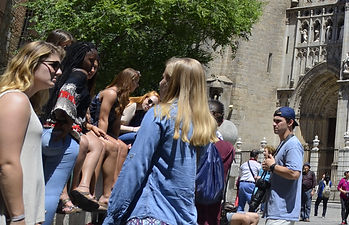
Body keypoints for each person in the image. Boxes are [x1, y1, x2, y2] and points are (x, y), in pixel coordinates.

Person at [104, 57, 217, 225]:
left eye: (165, 77)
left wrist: (113, 214)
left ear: (174, 83)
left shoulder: (159, 114)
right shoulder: (205, 124)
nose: (160, 82)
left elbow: (136, 165)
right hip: (183, 217)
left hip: (150, 210)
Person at [0, 41, 63, 225]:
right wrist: (18, 216)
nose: (59, 72)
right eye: (54, 65)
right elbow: (7, 163)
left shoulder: (23, 101)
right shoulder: (15, 100)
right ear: (32, 62)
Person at [40, 41, 102, 214]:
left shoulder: (64, 74)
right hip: (63, 140)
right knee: (51, 193)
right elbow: (66, 93)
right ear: (80, 58)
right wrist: (67, 121)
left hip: (46, 133)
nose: (92, 67)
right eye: (90, 60)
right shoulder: (79, 74)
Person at [89, 67, 141, 207]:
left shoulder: (123, 98)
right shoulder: (111, 93)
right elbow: (103, 119)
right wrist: (103, 139)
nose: (137, 86)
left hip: (107, 132)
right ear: (128, 81)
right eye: (136, 82)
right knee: (113, 146)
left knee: (122, 147)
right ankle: (98, 192)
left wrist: (115, 138)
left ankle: (113, 188)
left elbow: (116, 123)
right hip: (95, 128)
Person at [261, 106, 304, 225]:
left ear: (290, 122)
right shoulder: (284, 143)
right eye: (274, 121)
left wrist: (273, 166)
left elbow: (294, 173)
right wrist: (270, 166)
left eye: (278, 121)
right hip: (277, 209)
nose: (274, 124)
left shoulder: (293, 145)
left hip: (283, 211)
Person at [196, 99, 237, 225]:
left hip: (190, 209)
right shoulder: (228, 148)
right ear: (221, 121)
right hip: (213, 210)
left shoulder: (191, 143)